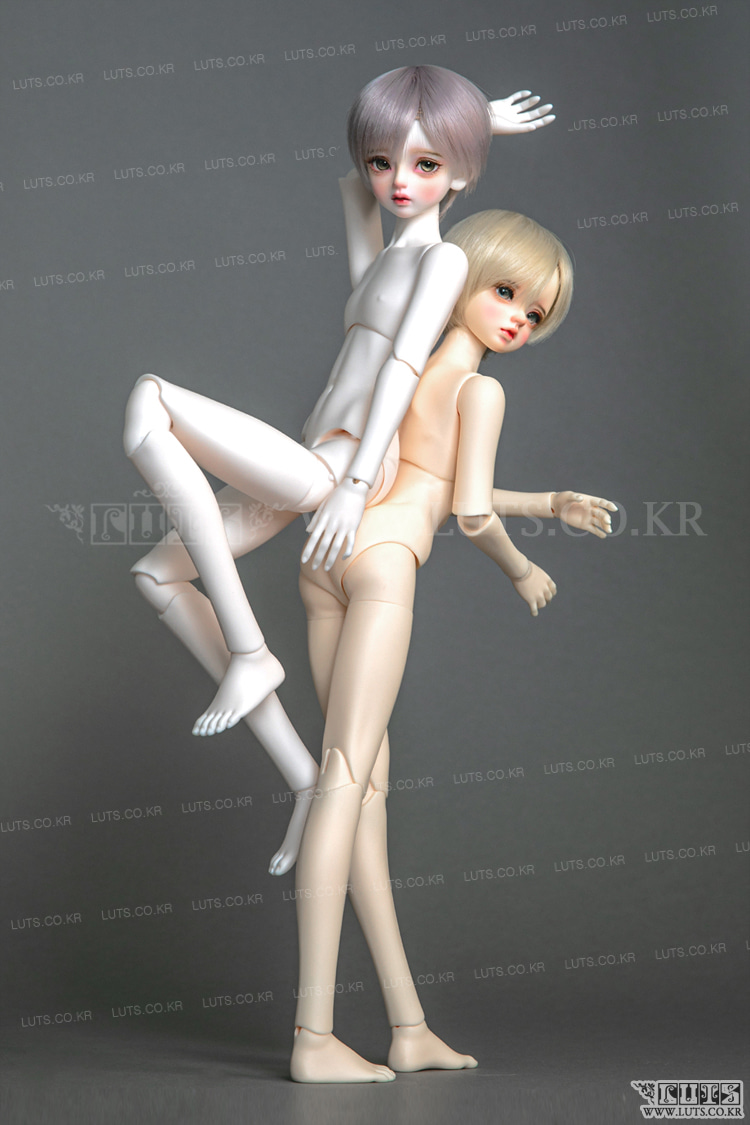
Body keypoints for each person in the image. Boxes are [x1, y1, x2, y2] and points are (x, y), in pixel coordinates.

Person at [121, 70, 553, 872]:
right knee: (157, 574)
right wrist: (465, 121)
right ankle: (298, 773)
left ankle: (250, 653)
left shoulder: (444, 262)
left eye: (428, 166)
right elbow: (355, 188)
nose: (399, 181)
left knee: (152, 398)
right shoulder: (383, 260)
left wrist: (354, 490)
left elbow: (401, 369)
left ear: (461, 174)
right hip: (312, 455)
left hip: (345, 464)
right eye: (386, 162)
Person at [290, 209, 616, 1082]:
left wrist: (547, 501)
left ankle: (408, 1026)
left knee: (363, 795)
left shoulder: (408, 360)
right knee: (343, 782)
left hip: (324, 562)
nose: (517, 318)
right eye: (507, 292)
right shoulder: (481, 391)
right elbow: (467, 512)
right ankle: (313, 1037)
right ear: (468, 273)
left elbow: (436, 478)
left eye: (534, 313)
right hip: (383, 569)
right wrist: (521, 567)